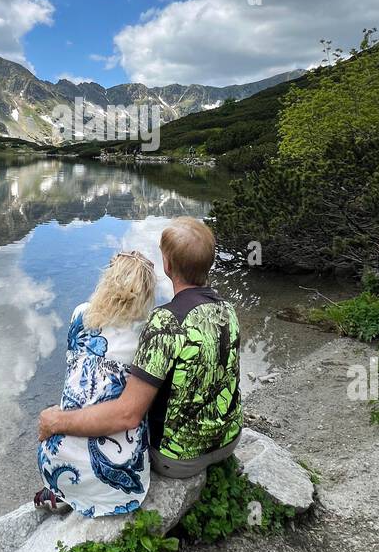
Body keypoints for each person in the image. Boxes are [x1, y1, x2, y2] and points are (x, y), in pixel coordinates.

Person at [37, 217, 241, 489]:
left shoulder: (165, 322)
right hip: (229, 440)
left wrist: (57, 421)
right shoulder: (229, 311)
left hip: (179, 459)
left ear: (167, 265)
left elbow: (128, 415)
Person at [35, 248, 157, 517]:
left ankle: (61, 492)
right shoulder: (149, 332)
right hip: (121, 480)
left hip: (55, 458)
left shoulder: (81, 313)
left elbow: (72, 370)